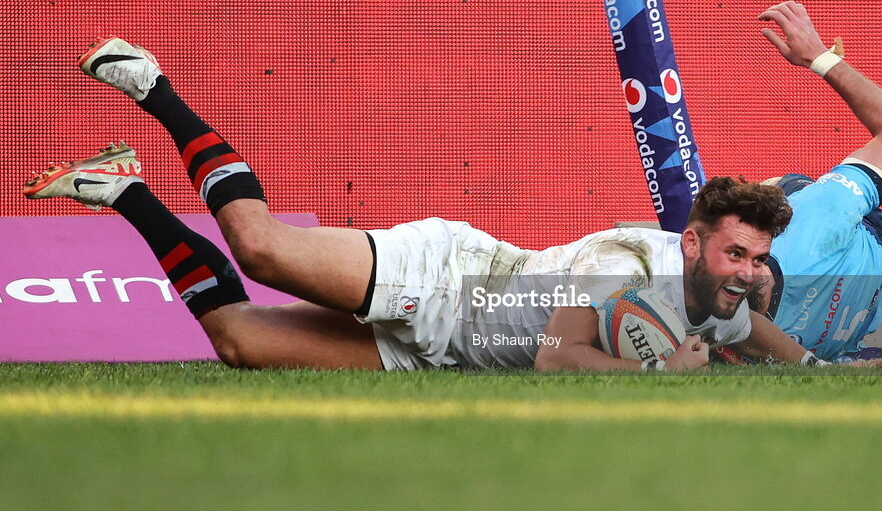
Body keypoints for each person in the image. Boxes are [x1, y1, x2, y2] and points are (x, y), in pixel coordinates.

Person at [23, 36, 814, 372]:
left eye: (754, 258)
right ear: (689, 243)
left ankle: (126, 190)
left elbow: (756, 333)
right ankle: (155, 88)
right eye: (734, 254)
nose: (744, 272)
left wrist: (812, 365)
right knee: (259, 247)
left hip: (445, 353)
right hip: (446, 279)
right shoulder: (620, 268)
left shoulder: (719, 289)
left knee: (237, 342)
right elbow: (553, 357)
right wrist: (659, 373)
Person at [711, 1, 882, 363]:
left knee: (784, 194)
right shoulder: (718, 342)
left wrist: (820, 59)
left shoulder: (818, 219)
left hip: (869, 241)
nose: (740, 273)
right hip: (860, 315)